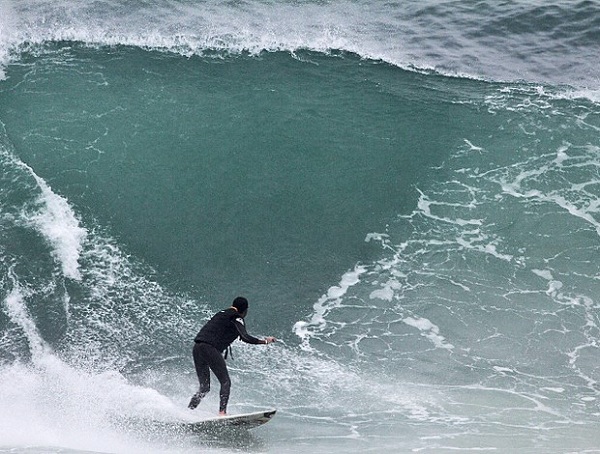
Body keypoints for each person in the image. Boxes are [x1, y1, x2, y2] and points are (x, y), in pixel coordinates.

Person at [188, 296, 276, 415]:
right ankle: (222, 413)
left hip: (198, 347)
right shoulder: (236, 317)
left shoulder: (222, 314)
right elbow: (245, 337)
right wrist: (265, 341)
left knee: (204, 387)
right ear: (245, 310)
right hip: (209, 348)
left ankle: (188, 411)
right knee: (225, 382)